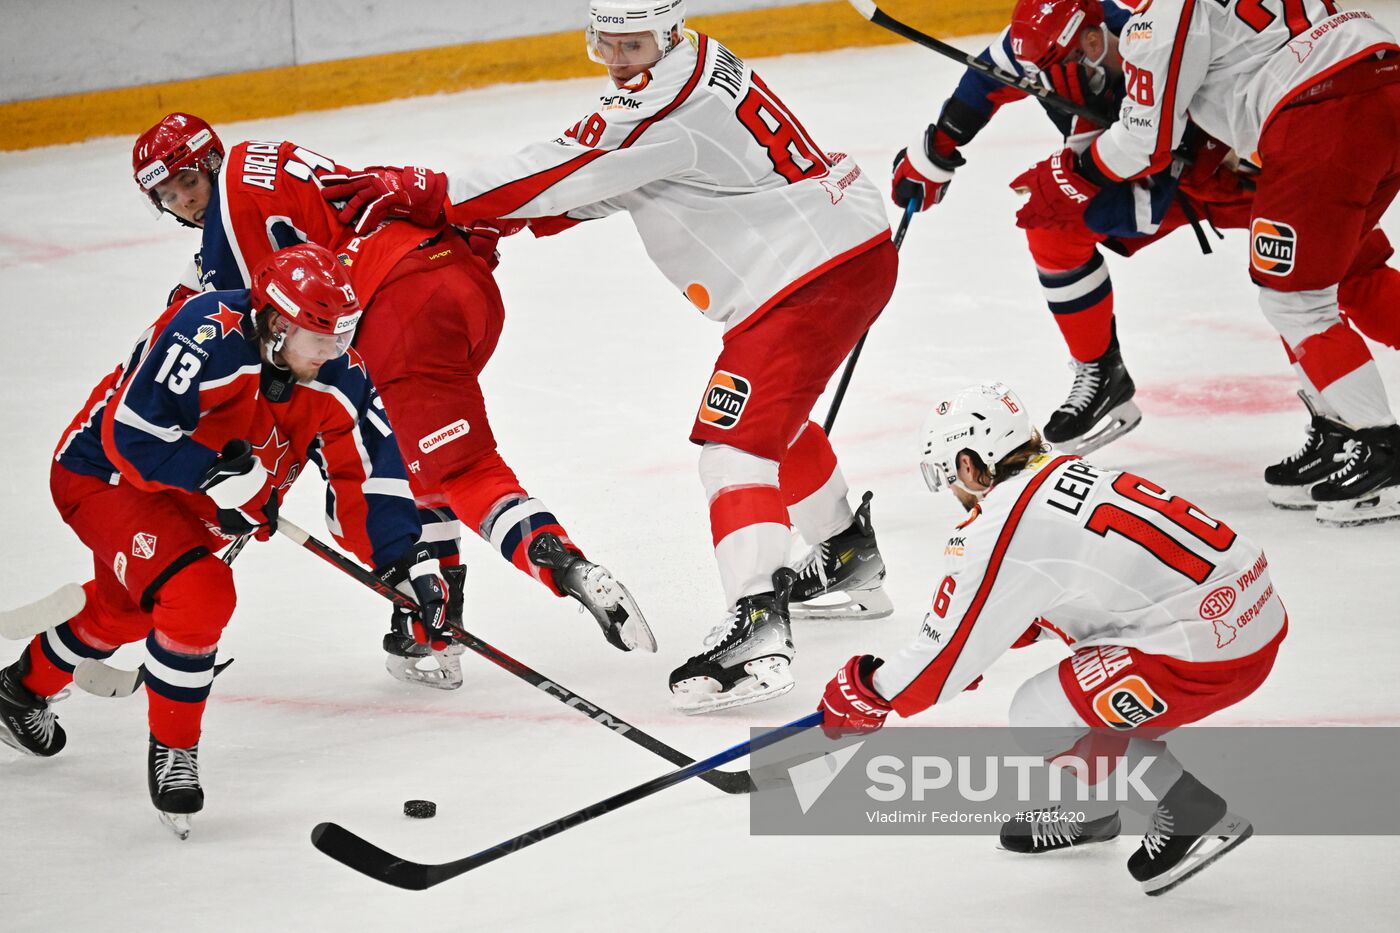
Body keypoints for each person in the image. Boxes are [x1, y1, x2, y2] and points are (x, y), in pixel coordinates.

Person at [318, 0, 899, 712]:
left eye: (637, 43)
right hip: (837, 248)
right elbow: (620, 176)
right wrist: (507, 215)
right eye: (608, 45)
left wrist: (435, 193)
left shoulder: (663, 99)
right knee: (771, 422)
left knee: (732, 450)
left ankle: (757, 629)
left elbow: (573, 166)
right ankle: (846, 555)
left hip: (810, 275)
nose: (622, 60)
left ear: (671, 32)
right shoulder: (689, 66)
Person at [131, 113, 653, 693]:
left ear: (210, 164)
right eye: (168, 196)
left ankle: (565, 567)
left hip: (395, 312)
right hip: (459, 283)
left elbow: (249, 339)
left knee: (449, 471)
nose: (184, 203)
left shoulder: (227, 221)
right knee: (411, 460)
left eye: (188, 185)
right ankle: (431, 630)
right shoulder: (267, 160)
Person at [0, 244, 447, 838]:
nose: (336, 351)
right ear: (277, 323)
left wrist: (403, 562)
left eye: (342, 335)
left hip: (196, 500)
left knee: (136, 609)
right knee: (198, 592)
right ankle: (175, 751)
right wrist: (217, 476)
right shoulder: (204, 332)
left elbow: (370, 470)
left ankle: (19, 689)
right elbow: (131, 435)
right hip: (104, 475)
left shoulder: (338, 374)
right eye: (322, 338)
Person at [892, 0, 1400, 515]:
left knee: (1312, 294)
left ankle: (1375, 450)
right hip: (1328, 105)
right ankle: (1103, 375)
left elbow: (1142, 141)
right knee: (1327, 281)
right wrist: (937, 149)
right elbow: (991, 74)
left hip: (1284, 143)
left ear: (1091, 41)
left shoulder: (1147, 19)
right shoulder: (1057, 26)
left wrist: (1063, 177)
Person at [818, 382, 1287, 895]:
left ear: (973, 465)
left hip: (1203, 657)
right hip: (1250, 616)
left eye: (946, 474)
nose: (951, 491)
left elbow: (940, 660)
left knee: (1039, 714)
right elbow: (1086, 581)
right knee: (1083, 691)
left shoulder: (1003, 523)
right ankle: (1093, 811)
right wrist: (989, 638)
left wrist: (870, 691)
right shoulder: (1065, 471)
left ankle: (1189, 808)